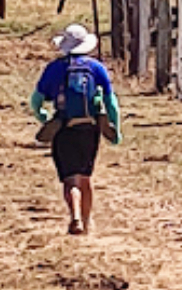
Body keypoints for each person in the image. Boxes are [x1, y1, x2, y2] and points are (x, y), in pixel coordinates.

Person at [30, 23, 120, 235]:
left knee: (70, 178)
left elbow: (36, 101)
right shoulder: (96, 68)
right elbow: (111, 102)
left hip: (64, 127)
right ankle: (86, 223)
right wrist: (114, 129)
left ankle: (75, 216)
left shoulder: (54, 68)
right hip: (89, 128)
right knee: (85, 177)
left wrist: (43, 118)